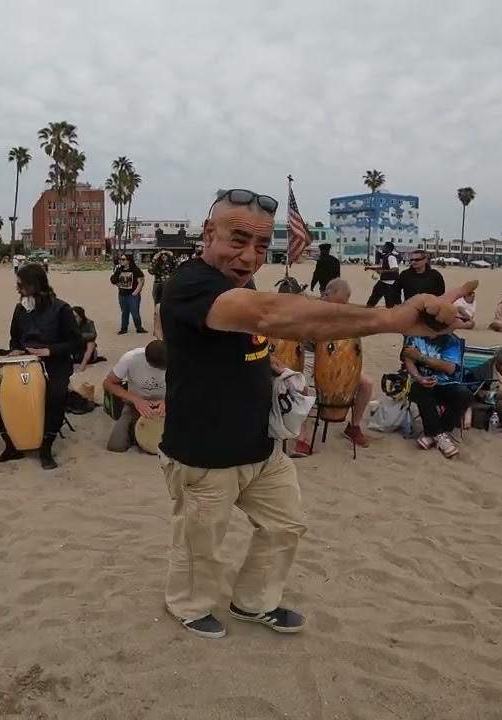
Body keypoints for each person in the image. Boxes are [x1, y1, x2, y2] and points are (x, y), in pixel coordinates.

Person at [160, 187, 474, 639]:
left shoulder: (237, 281)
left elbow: (246, 332)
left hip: (260, 444)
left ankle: (253, 602)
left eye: (262, 245)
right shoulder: (190, 285)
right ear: (210, 233)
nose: (250, 256)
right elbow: (267, 315)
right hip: (204, 452)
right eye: (238, 240)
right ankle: (187, 606)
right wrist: (390, 319)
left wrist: (266, 363)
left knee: (285, 525)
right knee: (200, 544)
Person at [0, 263, 82, 470]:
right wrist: (15, 351)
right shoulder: (20, 309)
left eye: (21, 285)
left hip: (55, 362)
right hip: (23, 362)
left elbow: (76, 342)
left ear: (34, 284)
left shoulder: (61, 308)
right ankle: (12, 444)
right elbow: (14, 339)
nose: (17, 289)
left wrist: (49, 351)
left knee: (55, 395)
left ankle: (46, 447)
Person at [289, 279, 376, 456]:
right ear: (328, 294)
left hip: (338, 358)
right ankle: (302, 437)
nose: (343, 305)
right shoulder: (313, 310)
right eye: (341, 301)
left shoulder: (346, 312)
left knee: (367, 384)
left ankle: (354, 426)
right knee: (301, 387)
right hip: (312, 355)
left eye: (346, 301)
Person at [402, 334, 472, 459]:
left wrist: (420, 357)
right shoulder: (413, 336)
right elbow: (409, 361)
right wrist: (419, 377)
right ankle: (440, 435)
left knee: (464, 394)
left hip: (447, 383)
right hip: (420, 382)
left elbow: (449, 368)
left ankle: (434, 433)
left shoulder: (451, 340)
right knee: (420, 390)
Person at [103, 340, 168, 452]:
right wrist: (135, 400)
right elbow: (108, 383)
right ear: (148, 361)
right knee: (116, 445)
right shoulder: (131, 358)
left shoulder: (177, 358)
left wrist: (168, 401)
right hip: (135, 403)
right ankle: (135, 433)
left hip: (167, 403)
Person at [111, 253, 147, 334]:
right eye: (120, 259)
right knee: (124, 312)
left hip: (133, 295)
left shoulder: (135, 270)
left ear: (129, 261)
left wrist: (136, 292)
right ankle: (124, 328)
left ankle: (139, 327)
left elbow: (141, 281)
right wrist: (118, 285)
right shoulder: (119, 270)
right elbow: (113, 279)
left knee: (135, 313)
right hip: (122, 294)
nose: (121, 261)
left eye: (123, 259)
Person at [365, 241, 400, 307]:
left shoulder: (391, 257)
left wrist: (383, 271)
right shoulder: (385, 257)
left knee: (389, 304)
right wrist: (370, 268)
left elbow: (395, 269)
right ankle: (368, 311)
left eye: (384, 246)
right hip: (383, 282)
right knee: (373, 298)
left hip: (390, 284)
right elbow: (382, 267)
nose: (382, 247)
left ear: (388, 248)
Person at [71, 306, 105, 371]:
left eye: (75, 317)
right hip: (74, 352)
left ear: (81, 317)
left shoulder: (88, 323)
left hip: (87, 352)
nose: (73, 319)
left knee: (91, 342)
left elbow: (93, 335)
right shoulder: (69, 324)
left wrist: (78, 336)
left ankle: (83, 365)